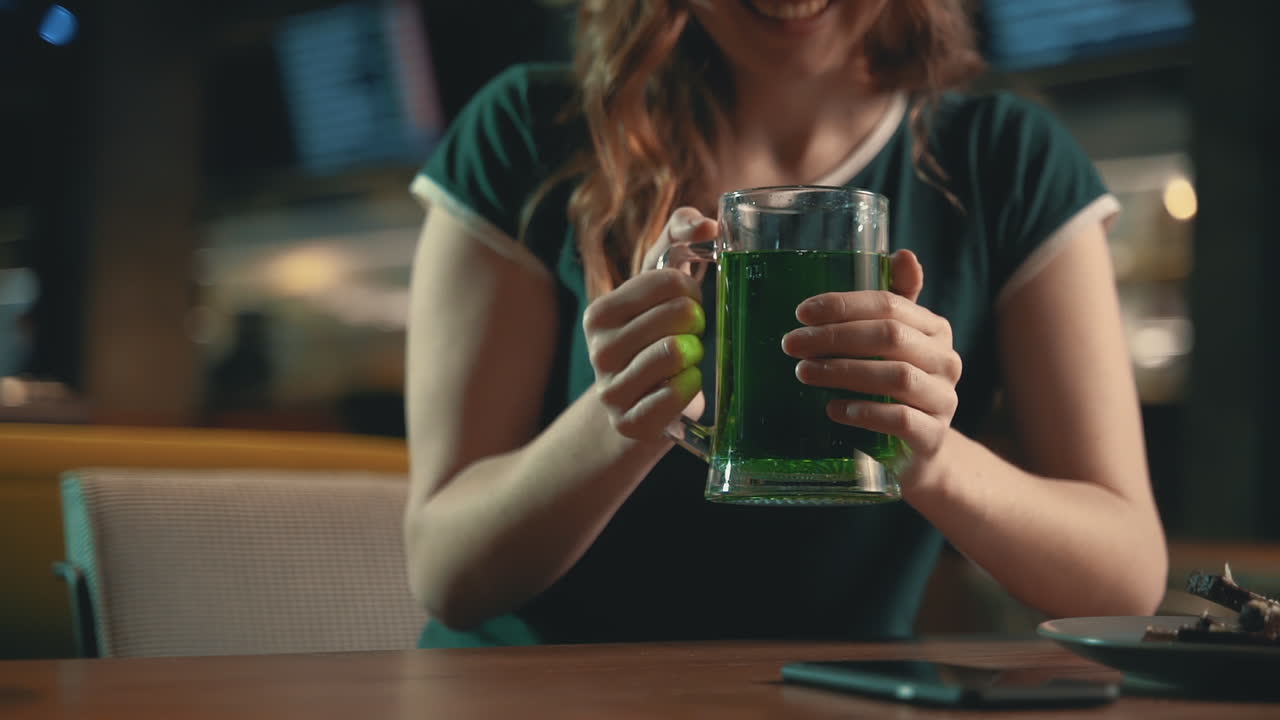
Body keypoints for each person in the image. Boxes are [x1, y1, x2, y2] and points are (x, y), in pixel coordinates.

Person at [402, 0, 1167, 647]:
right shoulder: (525, 131)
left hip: (832, 700)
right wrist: (622, 416)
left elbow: (1124, 579)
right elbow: (446, 571)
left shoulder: (1007, 161)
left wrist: (927, 453)